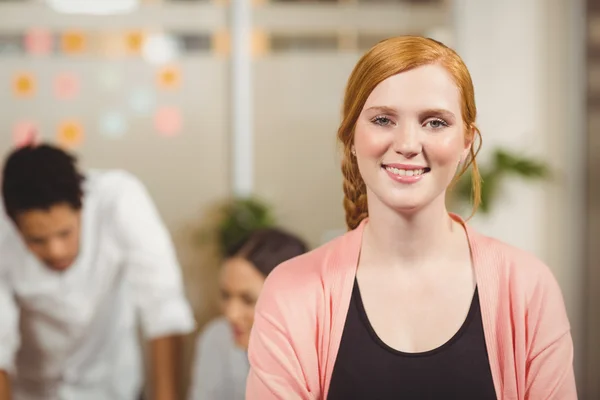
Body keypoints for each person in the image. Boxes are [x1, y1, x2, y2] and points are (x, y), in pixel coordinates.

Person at [245, 36, 577, 399]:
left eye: (434, 122)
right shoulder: (292, 292)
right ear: (352, 136)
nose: (407, 143)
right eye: (383, 119)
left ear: (466, 140)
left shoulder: (527, 288)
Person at [0, 144, 196, 400]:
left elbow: (163, 308)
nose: (56, 251)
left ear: (81, 205)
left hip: (113, 384)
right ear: (12, 223)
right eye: (37, 240)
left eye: (65, 233)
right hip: (32, 389)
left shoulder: (119, 199)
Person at [188, 228, 308, 400]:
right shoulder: (217, 338)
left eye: (248, 300)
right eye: (225, 295)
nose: (231, 314)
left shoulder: (321, 357)